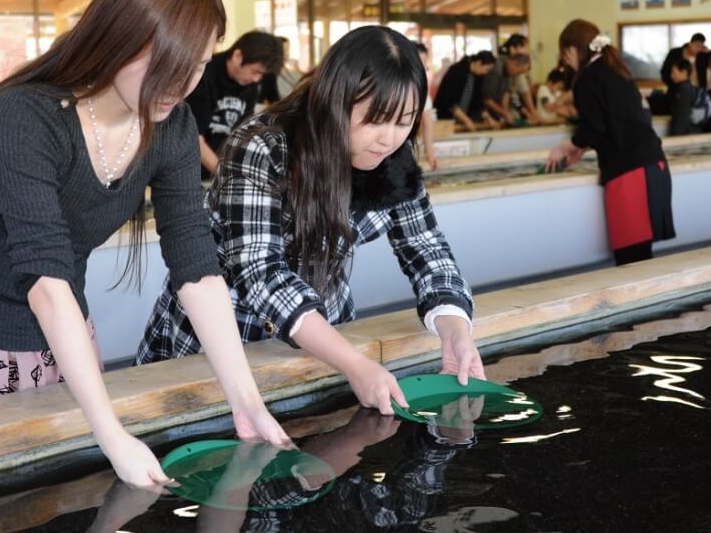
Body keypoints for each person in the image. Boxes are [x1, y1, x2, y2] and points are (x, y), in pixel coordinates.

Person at [0, 0, 290, 488]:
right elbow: (45, 279)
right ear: (116, 36)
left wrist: (247, 400)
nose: (180, 86)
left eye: (198, 66)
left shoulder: (173, 127)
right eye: (166, 65)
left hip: (57, 346)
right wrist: (111, 433)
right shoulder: (26, 115)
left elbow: (198, 267)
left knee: (47, 516)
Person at [138, 25, 484, 416]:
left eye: (404, 122)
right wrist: (353, 363)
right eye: (374, 120)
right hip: (223, 340)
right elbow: (261, 272)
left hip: (321, 340)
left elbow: (426, 246)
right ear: (338, 101)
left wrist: (455, 329)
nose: (388, 139)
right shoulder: (263, 146)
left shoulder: (393, 161)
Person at [547, 20, 674, 266]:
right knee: (641, 258)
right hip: (652, 166)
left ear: (573, 50)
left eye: (566, 55)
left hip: (630, 173)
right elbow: (613, 120)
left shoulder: (587, 78)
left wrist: (568, 145)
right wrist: (582, 145)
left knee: (630, 262)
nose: (567, 62)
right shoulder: (614, 68)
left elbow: (594, 126)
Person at [186, 30, 284, 177]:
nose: (256, 79)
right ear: (238, 56)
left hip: (223, 168)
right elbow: (194, 138)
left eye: (261, 74)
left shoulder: (250, 85)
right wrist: (224, 175)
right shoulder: (204, 76)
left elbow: (244, 131)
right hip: (194, 172)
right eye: (255, 71)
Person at [433, 52, 498, 132]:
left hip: (461, 121)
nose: (486, 72)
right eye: (487, 69)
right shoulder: (457, 71)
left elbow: (477, 102)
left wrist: (489, 118)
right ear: (479, 63)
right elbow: (449, 102)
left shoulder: (478, 76)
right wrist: (466, 120)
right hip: (445, 119)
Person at [667, 58, 711, 136]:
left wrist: (675, 136)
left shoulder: (684, 90)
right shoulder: (688, 87)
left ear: (684, 72)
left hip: (686, 134)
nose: (671, 75)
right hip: (692, 131)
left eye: (674, 72)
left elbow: (682, 116)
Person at [415, 42, 439, 170]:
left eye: (424, 62)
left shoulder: (422, 89)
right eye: (419, 61)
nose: (422, 66)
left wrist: (430, 155)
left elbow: (427, 123)